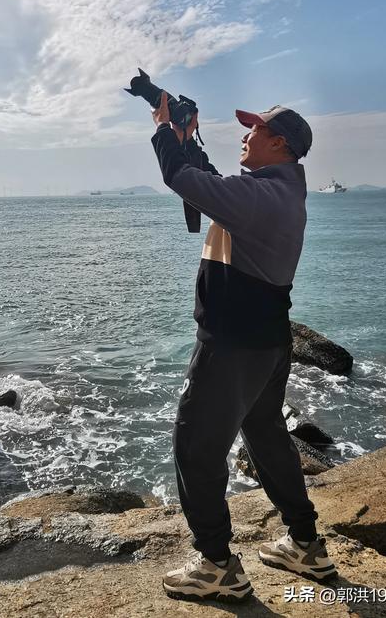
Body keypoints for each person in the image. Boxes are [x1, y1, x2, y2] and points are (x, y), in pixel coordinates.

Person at [150, 92, 336, 603]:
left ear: (279, 143)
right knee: (266, 436)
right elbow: (211, 180)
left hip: (231, 345)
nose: (245, 136)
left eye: (254, 130)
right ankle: (307, 546)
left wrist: (166, 131)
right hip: (267, 342)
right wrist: (189, 142)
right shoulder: (277, 191)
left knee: (194, 446)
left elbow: (184, 181)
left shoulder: (260, 198)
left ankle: (217, 566)